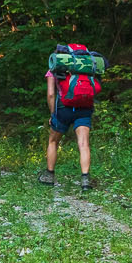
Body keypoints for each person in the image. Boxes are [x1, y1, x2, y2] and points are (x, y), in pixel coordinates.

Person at [40, 61, 93, 191]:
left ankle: (49, 176)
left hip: (64, 109)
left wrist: (53, 114)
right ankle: (85, 180)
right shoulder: (83, 67)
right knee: (84, 144)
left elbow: (51, 94)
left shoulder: (53, 70)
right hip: (84, 108)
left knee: (53, 141)